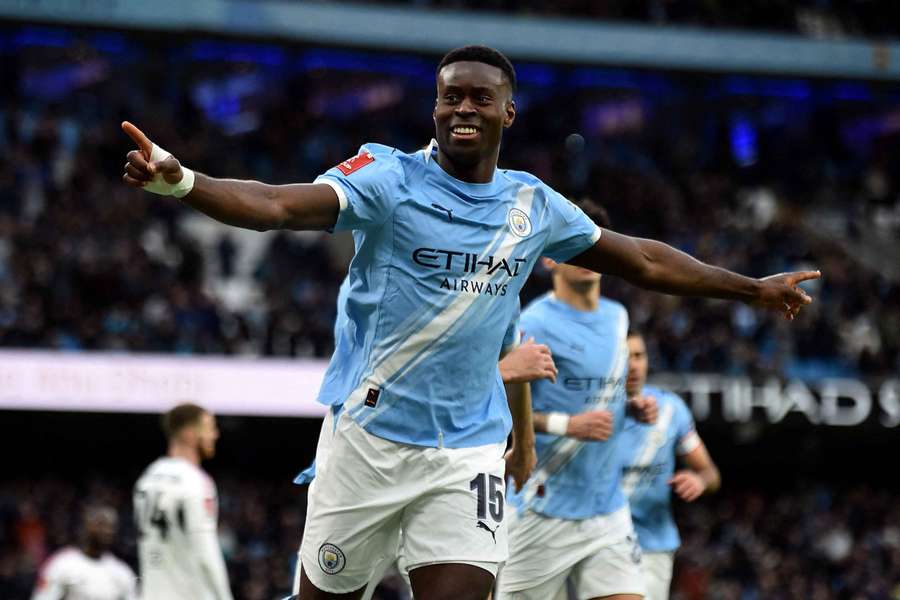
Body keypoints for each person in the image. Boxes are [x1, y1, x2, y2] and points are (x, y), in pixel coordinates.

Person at [121, 44, 818, 600]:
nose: (462, 108)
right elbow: (277, 205)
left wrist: (749, 289)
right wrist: (184, 181)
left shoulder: (533, 206)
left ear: (508, 113)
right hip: (365, 442)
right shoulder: (386, 177)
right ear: (433, 106)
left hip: (466, 455)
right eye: (449, 95)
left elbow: (640, 259)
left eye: (480, 97)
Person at [497, 201, 654, 600]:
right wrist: (568, 425)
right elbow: (498, 408)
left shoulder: (618, 316)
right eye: (573, 247)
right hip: (543, 509)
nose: (588, 257)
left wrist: (630, 404)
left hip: (608, 511)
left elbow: (599, 386)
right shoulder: (533, 323)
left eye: (593, 246)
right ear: (549, 258)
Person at [618, 331, 720, 600]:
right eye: (625, 357)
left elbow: (710, 473)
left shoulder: (671, 410)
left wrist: (699, 480)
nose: (634, 365)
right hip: (597, 541)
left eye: (639, 356)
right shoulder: (590, 412)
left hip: (652, 547)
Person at [133, 403, 233, 600]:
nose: (215, 435)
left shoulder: (146, 479)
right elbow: (206, 552)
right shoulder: (196, 482)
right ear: (189, 434)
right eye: (210, 428)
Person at [32, 505, 137, 600]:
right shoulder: (61, 564)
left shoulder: (121, 572)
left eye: (111, 526)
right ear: (86, 525)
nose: (107, 530)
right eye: (101, 524)